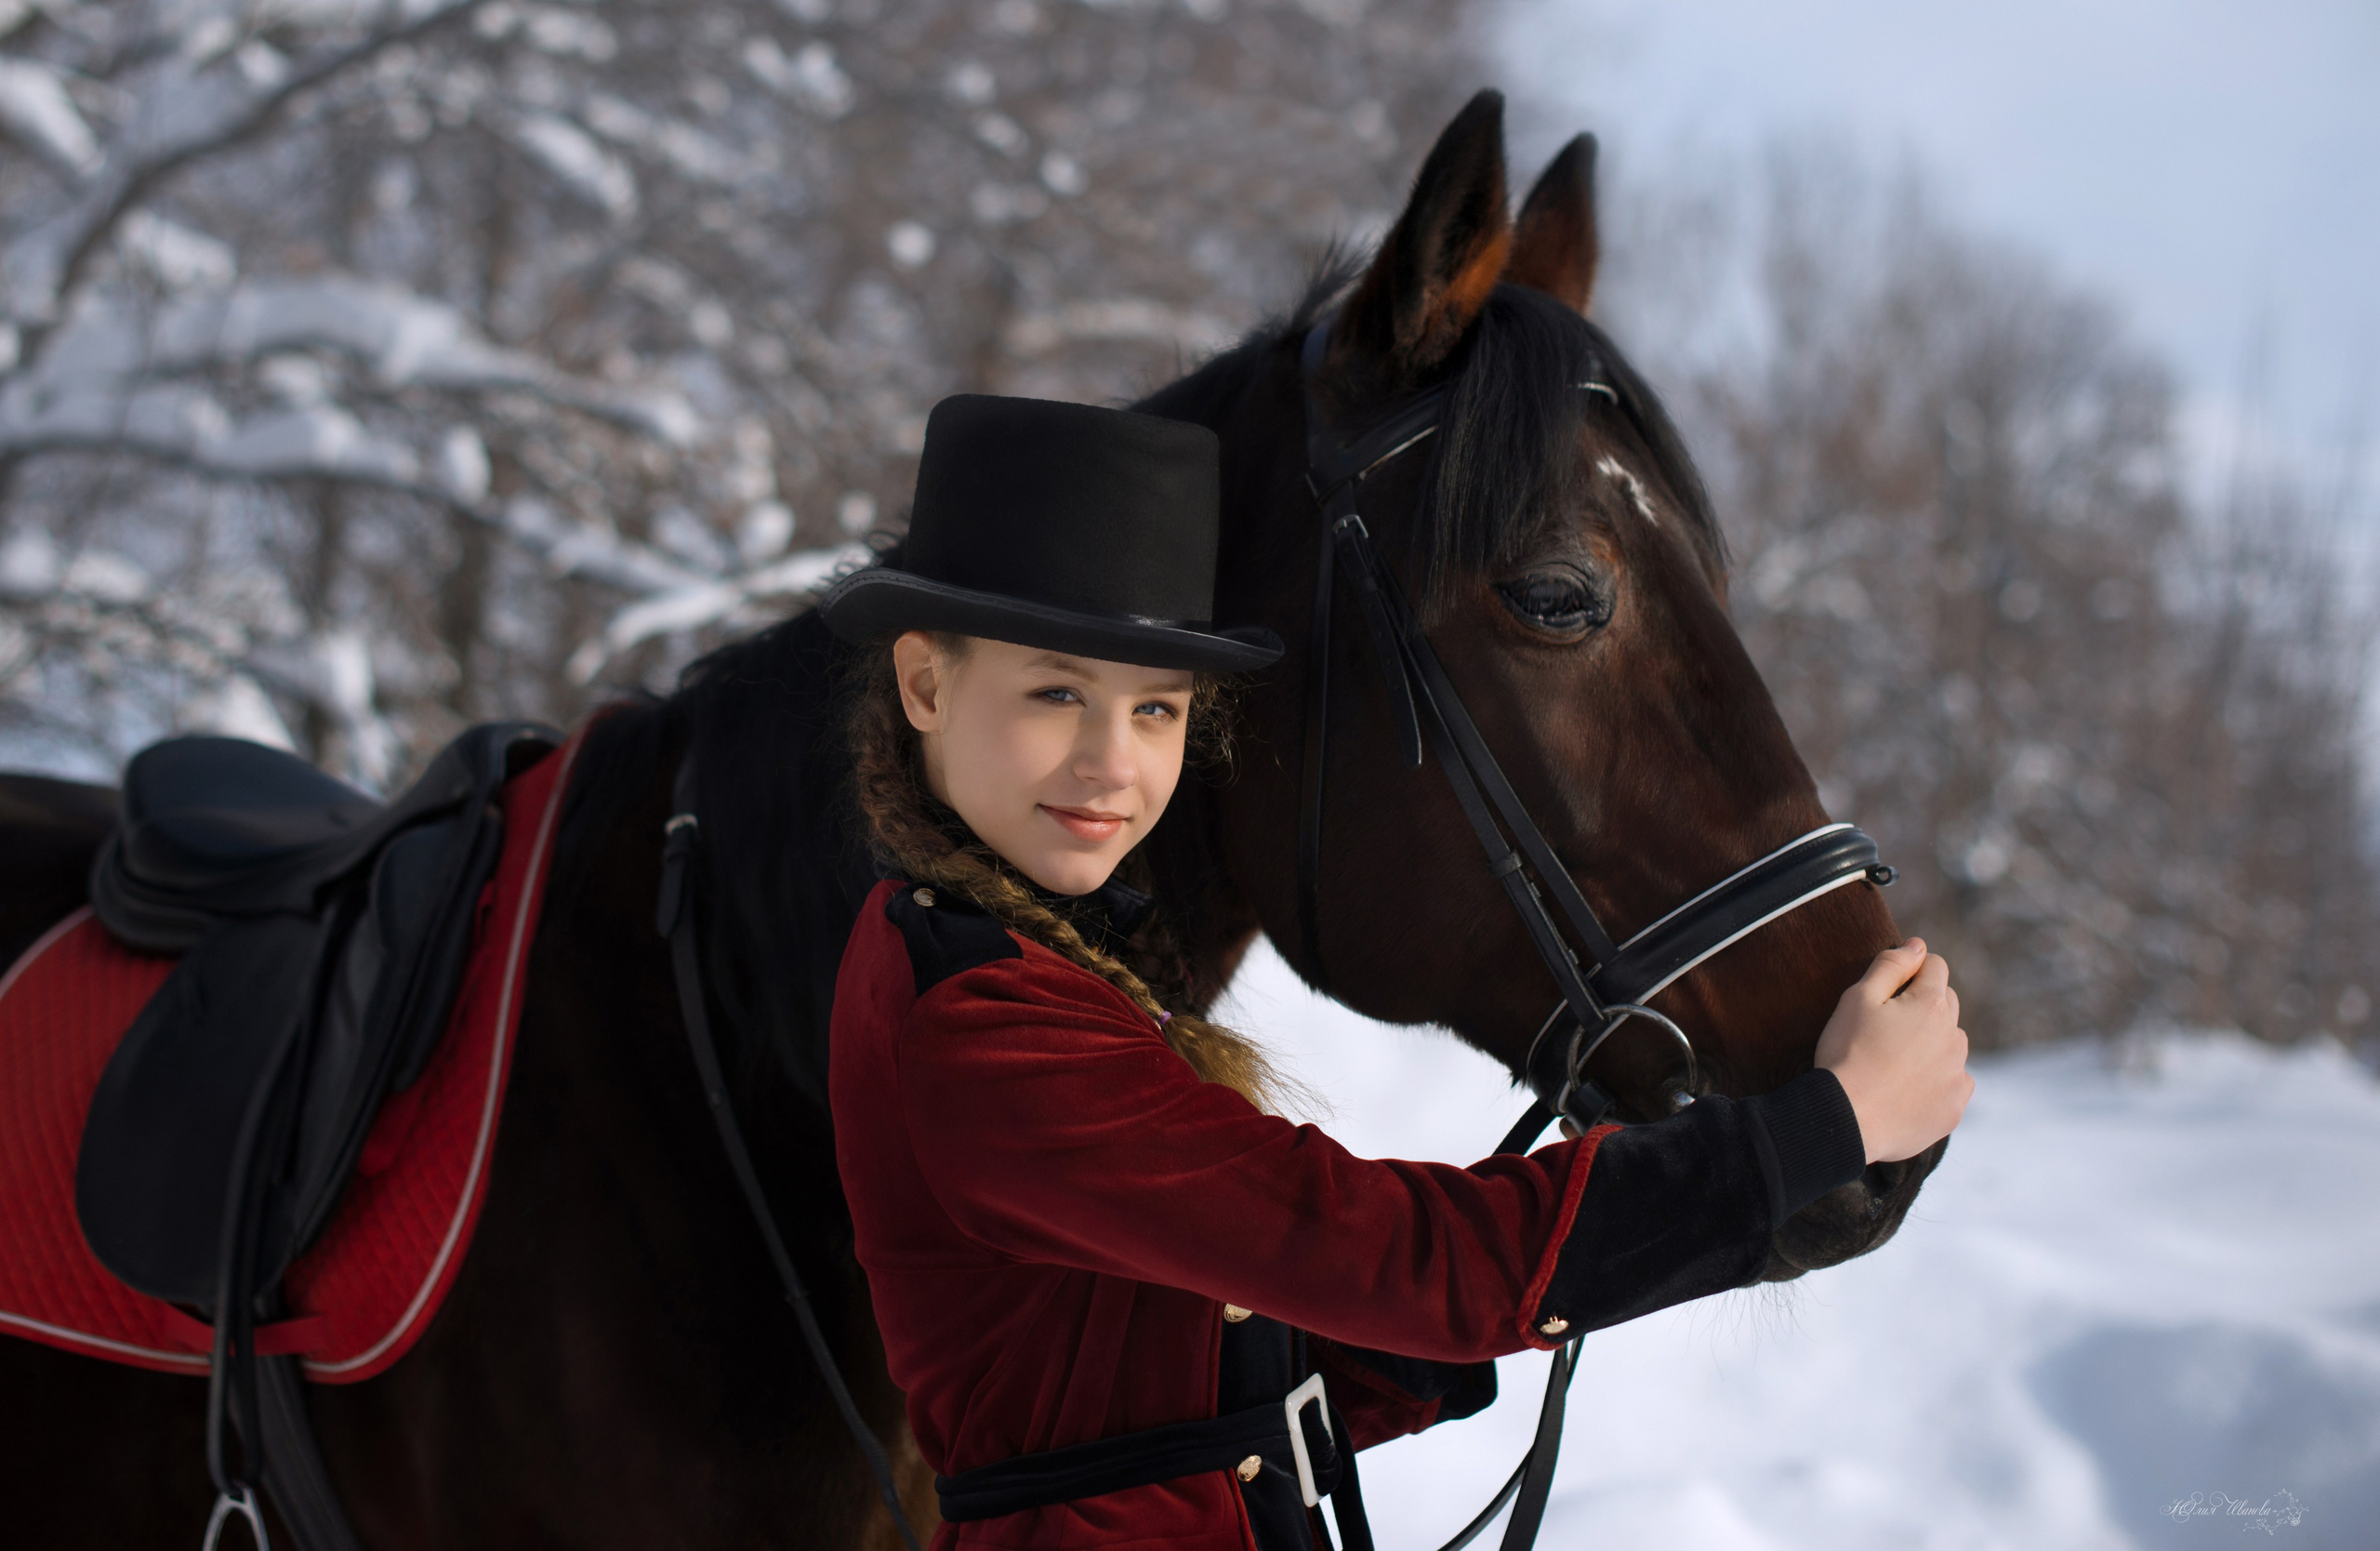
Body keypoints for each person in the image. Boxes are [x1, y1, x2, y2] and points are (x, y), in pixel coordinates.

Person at [818, 394, 1973, 1551]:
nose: (1112, 764)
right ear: (926, 684)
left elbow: (1143, 1365)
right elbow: (1373, 1250)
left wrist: (1461, 1322)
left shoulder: (1008, 955)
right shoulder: (977, 1022)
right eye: (1057, 693)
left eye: (1156, 708)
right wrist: (1821, 1129)